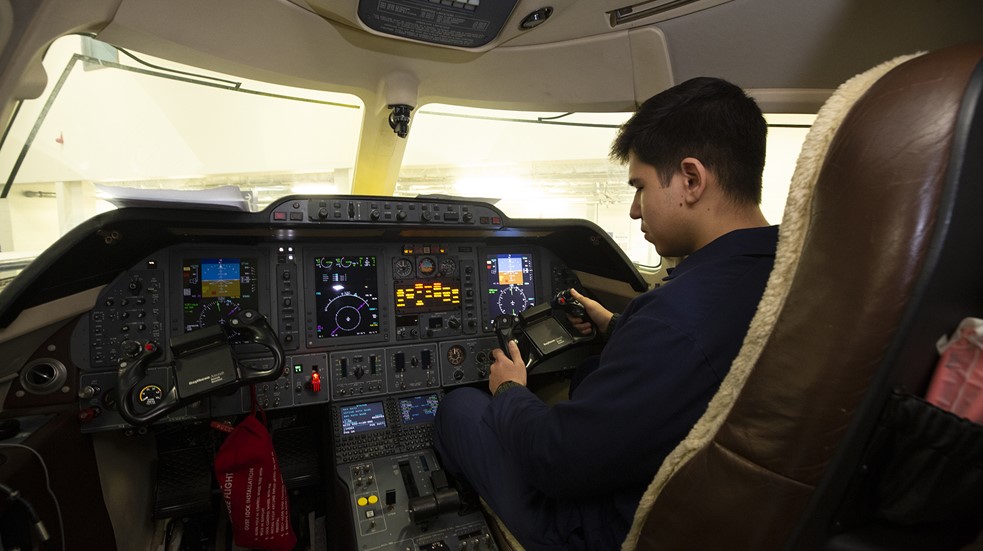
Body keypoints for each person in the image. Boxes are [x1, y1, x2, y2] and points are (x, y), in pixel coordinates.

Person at [434, 77, 779, 550]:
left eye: (639, 187)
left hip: (611, 530)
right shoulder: (787, 269)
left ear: (692, 180)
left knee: (460, 406)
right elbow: (698, 361)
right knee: (593, 368)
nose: (635, 210)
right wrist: (618, 326)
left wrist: (510, 389)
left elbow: (557, 462)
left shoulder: (674, 319)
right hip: (720, 509)